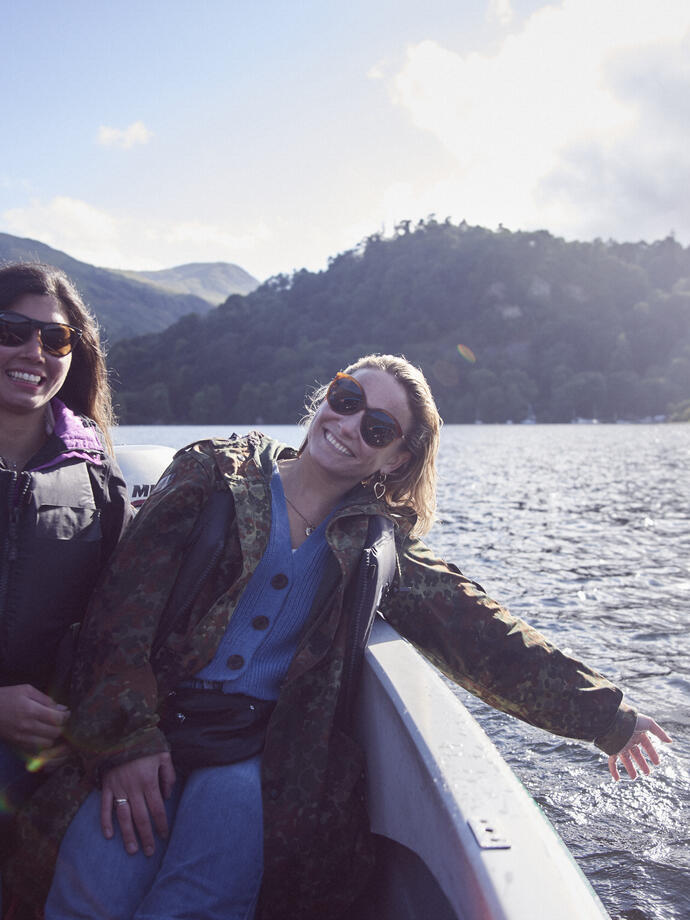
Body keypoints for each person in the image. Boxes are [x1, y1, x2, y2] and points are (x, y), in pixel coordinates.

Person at [2, 355, 671, 920]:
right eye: (345, 398)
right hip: (147, 728)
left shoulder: (377, 545)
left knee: (200, 906)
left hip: (251, 753)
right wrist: (125, 741)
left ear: (398, 455)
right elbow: (119, 611)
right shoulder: (212, 475)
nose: (348, 425)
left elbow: (484, 635)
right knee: (90, 896)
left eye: (376, 426)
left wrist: (609, 717)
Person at [0, 263, 131, 854]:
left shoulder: (96, 477)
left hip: (55, 739)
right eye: (11, 331)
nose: (35, 351)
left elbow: (122, 612)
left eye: (55, 339)